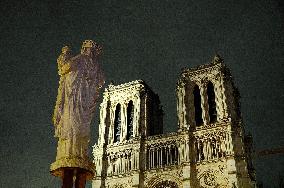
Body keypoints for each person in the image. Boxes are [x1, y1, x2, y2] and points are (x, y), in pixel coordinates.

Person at [51, 40, 104, 188]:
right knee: (77, 128)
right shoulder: (88, 63)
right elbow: (100, 80)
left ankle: (76, 152)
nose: (90, 53)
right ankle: (77, 152)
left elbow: (64, 69)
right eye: (90, 50)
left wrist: (64, 57)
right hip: (78, 102)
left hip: (78, 102)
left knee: (76, 128)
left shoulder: (83, 61)